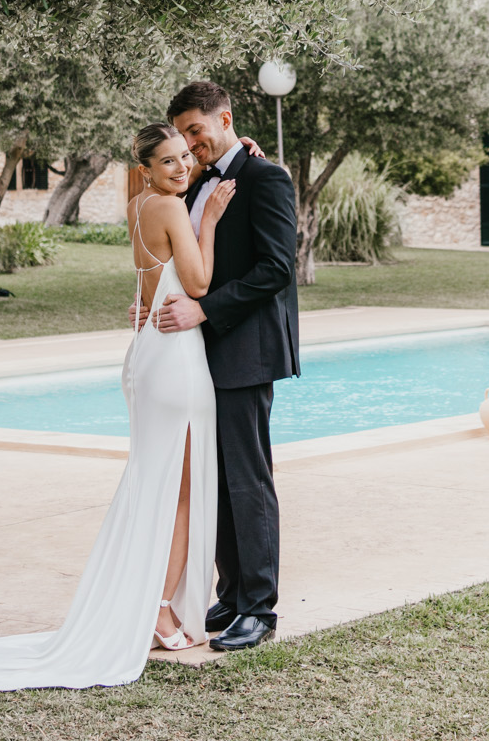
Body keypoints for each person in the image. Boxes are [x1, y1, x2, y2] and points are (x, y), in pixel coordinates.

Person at [0, 122, 234, 690]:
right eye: (168, 162)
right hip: (175, 356)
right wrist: (212, 221)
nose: (182, 169)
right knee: (177, 493)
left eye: (184, 159)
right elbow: (197, 284)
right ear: (146, 166)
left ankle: (153, 602)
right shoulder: (173, 208)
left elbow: (152, 283)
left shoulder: (138, 205)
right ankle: (156, 607)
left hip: (150, 346)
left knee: (154, 483)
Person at [145, 79, 299, 653]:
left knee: (249, 477)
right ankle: (232, 595)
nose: (190, 144)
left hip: (247, 348)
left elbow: (276, 269)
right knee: (218, 481)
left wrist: (204, 310)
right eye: (182, 135)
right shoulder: (190, 183)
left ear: (225, 119)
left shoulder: (267, 177)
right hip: (200, 354)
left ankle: (259, 608)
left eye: (196, 131)